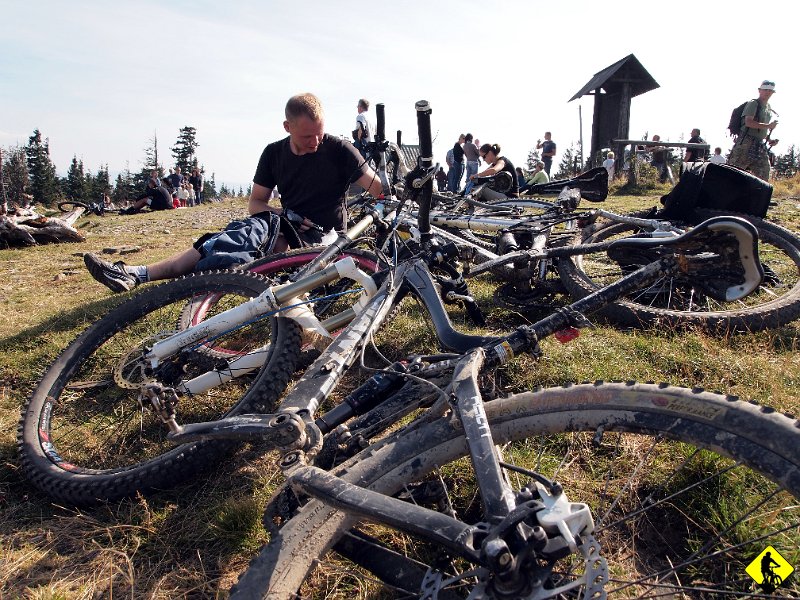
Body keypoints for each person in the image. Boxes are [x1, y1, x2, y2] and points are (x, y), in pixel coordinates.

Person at [84, 92, 383, 292]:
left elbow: (377, 187)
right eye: (307, 136)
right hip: (283, 225)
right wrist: (278, 213)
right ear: (287, 127)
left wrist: (383, 183)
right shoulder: (273, 154)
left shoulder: (339, 149)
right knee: (233, 237)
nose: (316, 142)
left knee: (256, 244)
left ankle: (206, 275)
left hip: (324, 238)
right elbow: (256, 203)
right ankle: (137, 274)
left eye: (320, 133)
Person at [727, 80, 779, 181]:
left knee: (764, 174)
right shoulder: (753, 104)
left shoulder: (768, 108)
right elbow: (748, 122)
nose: (768, 93)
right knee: (733, 173)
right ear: (759, 90)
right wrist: (768, 126)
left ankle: (759, 196)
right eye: (765, 90)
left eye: (770, 91)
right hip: (746, 142)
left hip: (759, 144)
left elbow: (761, 129)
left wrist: (769, 140)